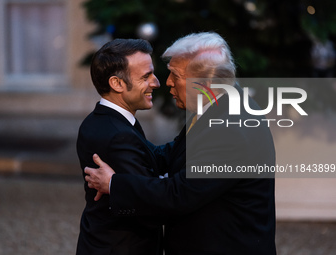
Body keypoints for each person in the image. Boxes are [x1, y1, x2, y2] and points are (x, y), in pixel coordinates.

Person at [85, 32, 277, 255]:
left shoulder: (230, 127)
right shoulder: (217, 105)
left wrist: (114, 185)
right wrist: (131, 149)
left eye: (175, 75)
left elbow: (179, 195)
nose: (166, 82)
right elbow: (176, 152)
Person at [76, 38, 163, 255]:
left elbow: (152, 156)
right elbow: (147, 205)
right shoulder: (119, 135)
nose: (156, 82)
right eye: (146, 76)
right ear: (117, 84)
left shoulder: (98, 120)